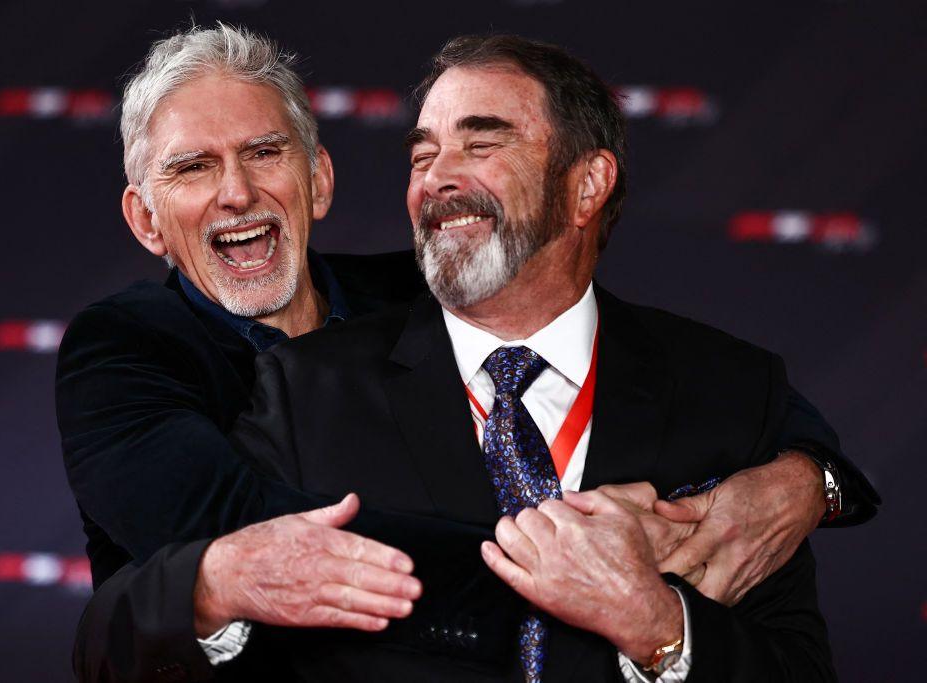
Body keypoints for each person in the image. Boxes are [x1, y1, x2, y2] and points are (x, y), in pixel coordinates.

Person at [60, 26, 877, 682]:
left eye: (264, 153)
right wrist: (581, 561)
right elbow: (241, 540)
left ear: (319, 182)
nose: (236, 191)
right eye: (194, 167)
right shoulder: (136, 356)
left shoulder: (430, 288)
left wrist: (807, 480)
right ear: (145, 220)